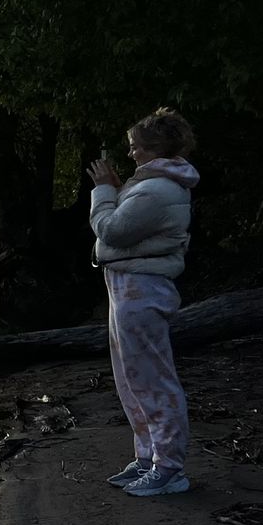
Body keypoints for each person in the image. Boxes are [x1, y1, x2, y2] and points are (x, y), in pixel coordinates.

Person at [86, 107, 199, 497]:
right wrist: (118, 191)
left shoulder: (158, 190)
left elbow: (112, 230)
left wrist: (103, 190)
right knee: (131, 378)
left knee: (152, 379)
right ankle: (149, 456)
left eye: (136, 146)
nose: (131, 152)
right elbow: (128, 224)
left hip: (142, 289)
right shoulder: (148, 186)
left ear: (155, 148)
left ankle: (169, 469)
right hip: (126, 287)